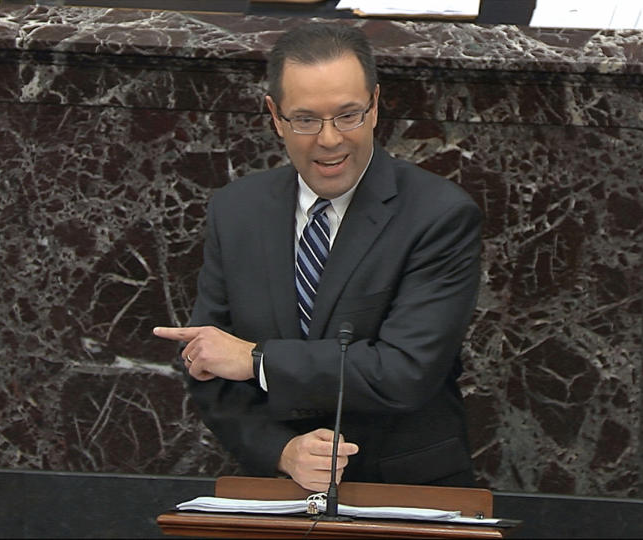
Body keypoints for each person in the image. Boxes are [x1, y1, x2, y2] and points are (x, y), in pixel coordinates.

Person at [154, 23, 482, 492]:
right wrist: (281, 452)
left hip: (405, 490)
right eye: (306, 119)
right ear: (275, 115)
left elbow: (406, 370)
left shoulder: (440, 215)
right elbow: (209, 365)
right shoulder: (236, 210)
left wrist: (258, 360)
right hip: (277, 489)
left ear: (374, 106)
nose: (329, 140)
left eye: (347, 115)